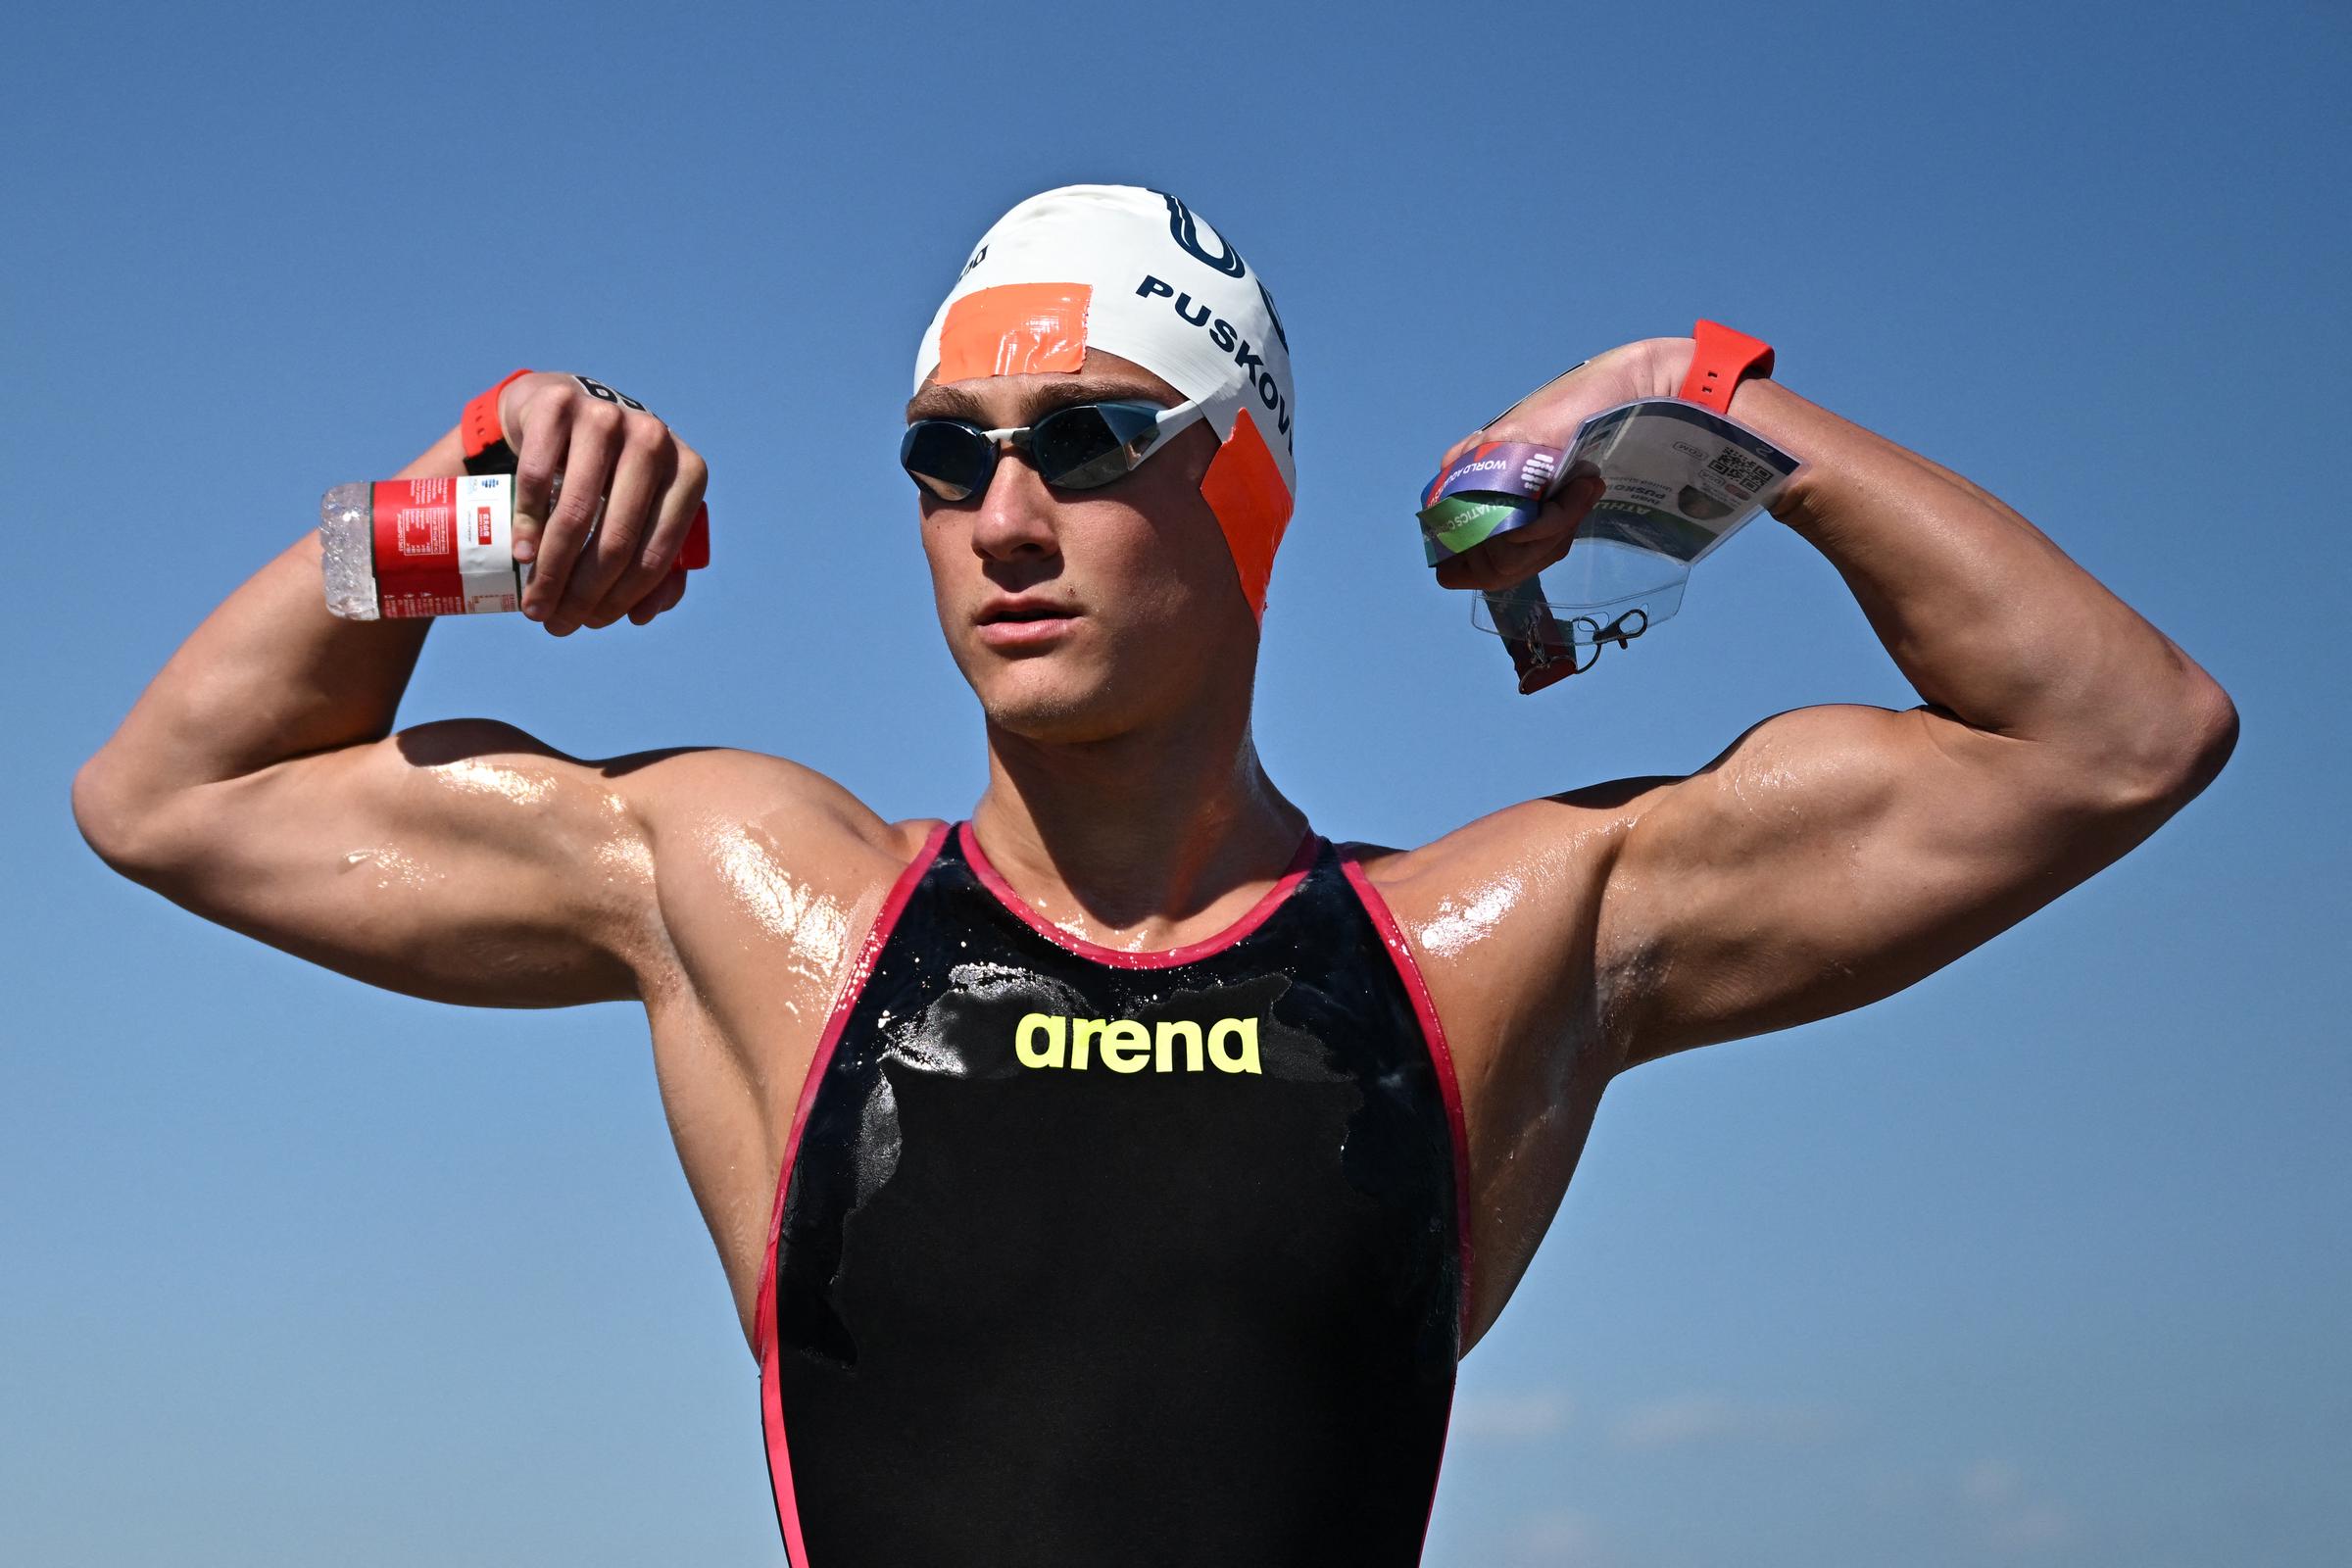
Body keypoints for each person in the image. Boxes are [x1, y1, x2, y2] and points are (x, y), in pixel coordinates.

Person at [72, 185, 2236, 1567]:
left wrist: (1703, 410)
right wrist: (442, 517)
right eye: (948, 455)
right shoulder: (761, 904)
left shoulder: (1485, 944)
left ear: (1252, 494)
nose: (1004, 513)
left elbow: (2116, 733)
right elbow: (170, 794)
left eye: (1091, 443)